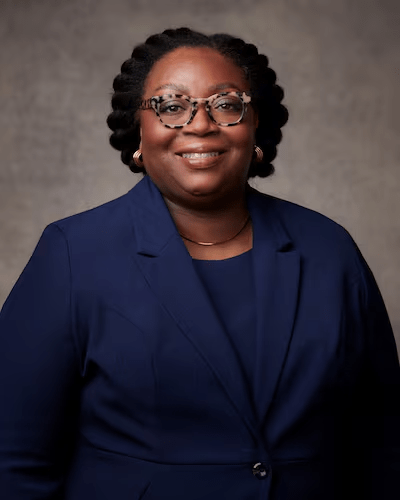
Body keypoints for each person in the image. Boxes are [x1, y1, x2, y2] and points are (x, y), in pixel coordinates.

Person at [0, 27, 399, 500]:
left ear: (255, 123)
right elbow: (13, 460)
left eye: (226, 104)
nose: (200, 124)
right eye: (171, 106)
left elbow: (383, 445)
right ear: (138, 129)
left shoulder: (329, 250)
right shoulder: (72, 253)